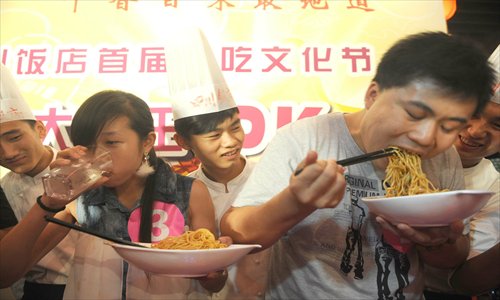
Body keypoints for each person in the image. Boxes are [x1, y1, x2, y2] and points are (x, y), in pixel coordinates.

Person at [220, 31, 496, 299]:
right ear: (373, 95)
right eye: (414, 114)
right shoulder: (306, 137)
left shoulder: (444, 159)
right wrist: (295, 201)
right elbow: (236, 231)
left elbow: (451, 259)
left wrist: (438, 241)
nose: (426, 138)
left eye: (449, 126)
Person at [0, 90, 227, 299]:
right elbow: (6, 274)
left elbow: (212, 282)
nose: (99, 155)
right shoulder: (83, 200)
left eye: (111, 142)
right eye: (87, 146)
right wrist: (49, 202)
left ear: (147, 142)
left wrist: (215, 273)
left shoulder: (187, 192)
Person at [168, 28, 269, 299]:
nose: (230, 142)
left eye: (235, 127)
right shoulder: (185, 192)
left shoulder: (271, 176)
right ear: (183, 142)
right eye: (214, 135)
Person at [424, 44, 500, 299]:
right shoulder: (408, 150)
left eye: (498, 124)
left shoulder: (494, 188)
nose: (476, 131)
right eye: (473, 113)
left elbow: (464, 281)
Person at [0, 63, 76, 300]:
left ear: (40, 130)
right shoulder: (4, 188)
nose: (8, 152)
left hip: (88, 286)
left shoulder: (81, 171)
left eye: (14, 137)